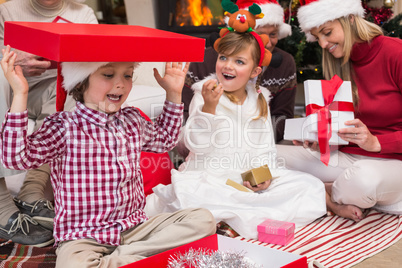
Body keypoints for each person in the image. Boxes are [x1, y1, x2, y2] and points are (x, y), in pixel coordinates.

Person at [0, 45, 216, 267]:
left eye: (128, 75)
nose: (120, 83)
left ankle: (124, 258)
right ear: (81, 81)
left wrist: (174, 93)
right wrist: (20, 94)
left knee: (204, 221)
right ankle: (135, 259)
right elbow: (15, 159)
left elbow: (165, 140)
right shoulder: (63, 126)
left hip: (134, 229)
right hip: (83, 237)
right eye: (108, 74)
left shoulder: (132, 119)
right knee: (73, 264)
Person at [145, 29, 326, 240]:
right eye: (223, 58)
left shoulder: (259, 100)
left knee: (310, 186)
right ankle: (229, 220)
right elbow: (196, 146)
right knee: (197, 198)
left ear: (254, 71)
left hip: (243, 178)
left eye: (239, 62)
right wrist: (209, 109)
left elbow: (265, 148)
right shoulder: (205, 94)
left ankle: (230, 221)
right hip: (210, 177)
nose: (228, 65)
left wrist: (263, 177)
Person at [277, 0, 402, 221]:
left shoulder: (396, 53)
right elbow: (343, 129)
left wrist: (377, 142)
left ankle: (321, 191)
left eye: (327, 32)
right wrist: (323, 140)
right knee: (269, 156)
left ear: (351, 19)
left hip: (392, 163)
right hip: (348, 158)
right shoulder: (340, 64)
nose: (323, 44)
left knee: (363, 180)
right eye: (318, 38)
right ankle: (331, 192)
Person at [0, 0, 98, 246]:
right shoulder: (7, 11)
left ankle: (31, 193)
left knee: (80, 90)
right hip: (10, 87)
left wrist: (63, 62)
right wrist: (10, 59)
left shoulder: (83, 14)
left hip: (53, 88)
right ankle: (2, 207)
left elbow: (98, 60)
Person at [182, 0, 296, 145]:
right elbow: (189, 124)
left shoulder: (261, 97)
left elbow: (282, 118)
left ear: (255, 71)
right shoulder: (202, 80)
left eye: (272, 35)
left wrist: (247, 143)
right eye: (261, 36)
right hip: (208, 148)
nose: (267, 44)